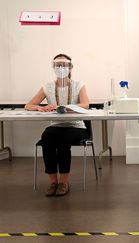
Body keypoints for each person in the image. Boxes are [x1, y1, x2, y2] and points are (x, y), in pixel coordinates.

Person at [25, 54, 90, 196]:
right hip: (56, 126)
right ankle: (53, 182)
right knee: (47, 138)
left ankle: (64, 182)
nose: (61, 68)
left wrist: (67, 107)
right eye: (57, 65)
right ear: (53, 67)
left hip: (76, 127)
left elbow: (85, 104)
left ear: (70, 67)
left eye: (64, 65)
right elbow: (28, 105)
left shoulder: (79, 85)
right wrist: (40, 107)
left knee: (63, 140)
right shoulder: (47, 87)